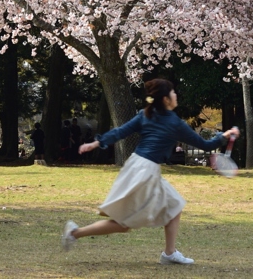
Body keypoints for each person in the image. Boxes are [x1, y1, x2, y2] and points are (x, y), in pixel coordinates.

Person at [63, 79, 240, 266]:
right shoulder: (174, 122)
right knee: (123, 225)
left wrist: (96, 143)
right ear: (165, 99)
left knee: (175, 205)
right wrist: (225, 135)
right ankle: (74, 233)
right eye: (173, 92)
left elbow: (120, 132)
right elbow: (206, 145)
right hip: (145, 173)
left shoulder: (146, 115)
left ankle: (169, 254)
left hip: (138, 167)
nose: (176, 95)